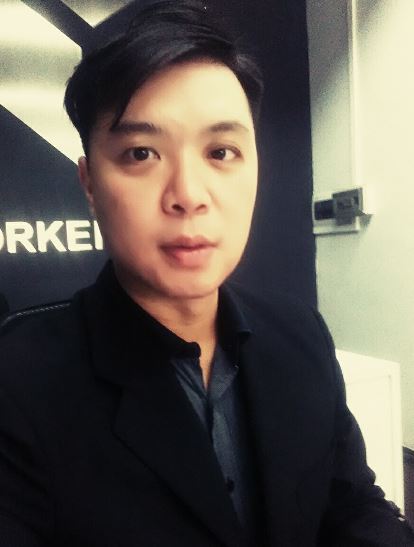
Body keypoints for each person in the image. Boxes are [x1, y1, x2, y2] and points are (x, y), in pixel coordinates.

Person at [0, 1, 413, 546]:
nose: (189, 195)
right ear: (90, 184)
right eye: (141, 153)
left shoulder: (301, 336)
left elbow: (354, 505)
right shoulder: (19, 381)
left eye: (221, 151)